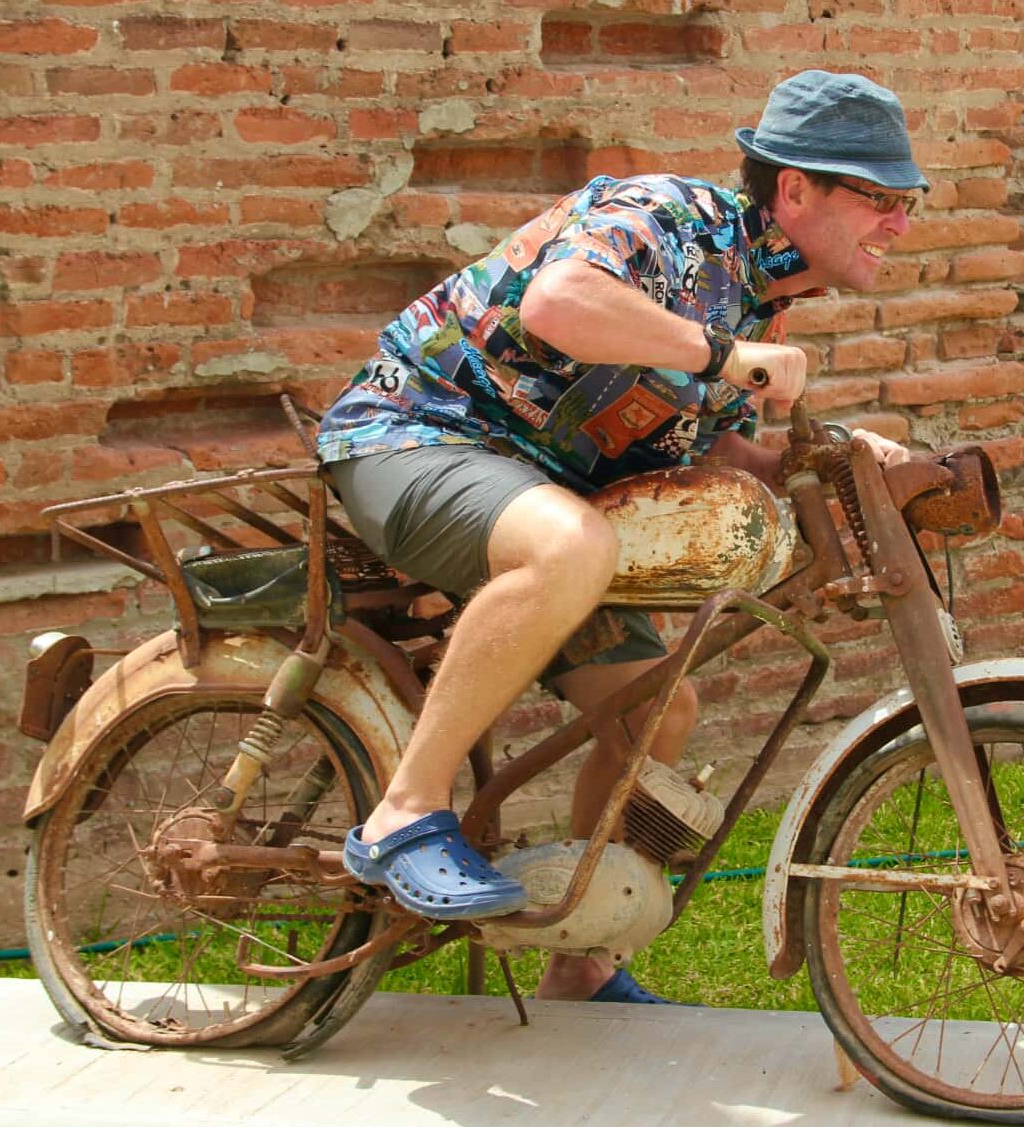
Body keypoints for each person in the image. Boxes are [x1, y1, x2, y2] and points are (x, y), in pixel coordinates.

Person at [318, 70, 926, 1003]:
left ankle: (580, 965)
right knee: (570, 550)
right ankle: (402, 815)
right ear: (796, 188)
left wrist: (826, 460)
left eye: (908, 202)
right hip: (414, 435)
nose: (901, 225)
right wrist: (726, 355)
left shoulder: (760, 297)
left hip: (537, 484)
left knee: (657, 710)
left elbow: (690, 431)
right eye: (879, 200)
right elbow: (558, 303)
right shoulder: (666, 216)